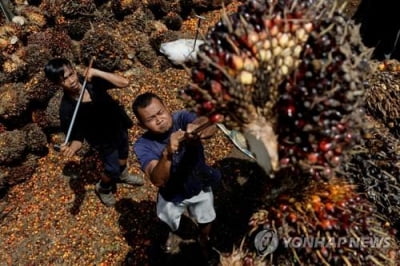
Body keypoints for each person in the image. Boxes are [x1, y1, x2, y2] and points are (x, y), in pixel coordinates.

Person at [132, 92, 221, 260]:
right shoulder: (142, 146)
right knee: (167, 220)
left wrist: (197, 129)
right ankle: (168, 235)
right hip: (171, 195)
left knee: (206, 217)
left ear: (166, 107)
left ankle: (203, 240)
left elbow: (208, 124)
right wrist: (167, 153)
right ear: (141, 125)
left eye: (160, 112)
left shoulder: (182, 117)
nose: (159, 119)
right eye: (150, 119)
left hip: (199, 186)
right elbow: (157, 180)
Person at [44, 58, 144, 207]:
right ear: (57, 84)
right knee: (111, 169)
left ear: (74, 69)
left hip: (118, 126)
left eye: (71, 74)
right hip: (103, 141)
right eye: (65, 79)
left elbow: (124, 83)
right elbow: (77, 138)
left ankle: (123, 175)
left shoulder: (91, 81)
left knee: (123, 155)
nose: (71, 81)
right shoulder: (67, 109)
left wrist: (97, 72)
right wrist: (72, 148)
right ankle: (103, 188)